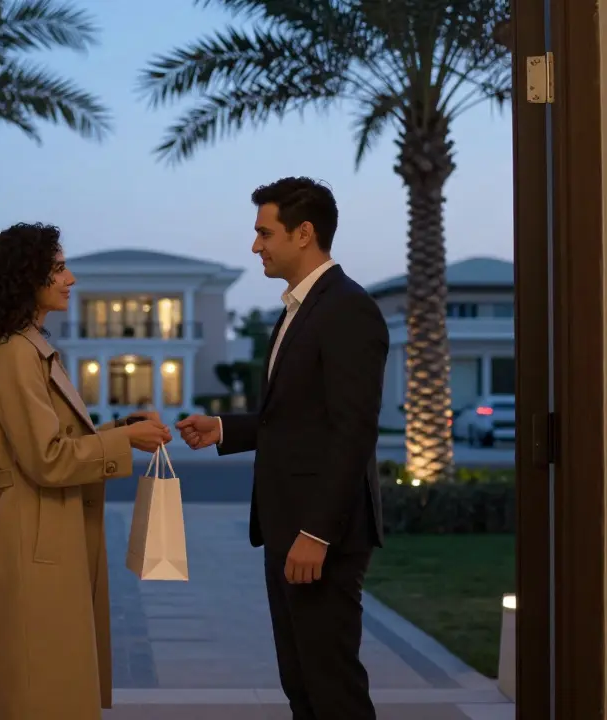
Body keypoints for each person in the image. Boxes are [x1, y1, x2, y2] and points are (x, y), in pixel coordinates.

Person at [177, 178, 388, 720]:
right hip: (286, 530)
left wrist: (316, 533)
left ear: (305, 233)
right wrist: (224, 428)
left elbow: (353, 429)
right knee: (302, 684)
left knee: (332, 686)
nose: (255, 246)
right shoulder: (299, 308)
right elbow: (296, 417)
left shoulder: (347, 308)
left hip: (318, 537)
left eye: (264, 233)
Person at [0, 222, 173, 720]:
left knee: (43, 679)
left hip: (40, 529)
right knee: (34, 686)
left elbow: (54, 442)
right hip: (29, 533)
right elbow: (48, 458)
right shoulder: (16, 355)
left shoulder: (29, 347)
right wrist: (125, 440)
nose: (70, 278)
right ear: (26, 277)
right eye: (58, 268)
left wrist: (122, 426)